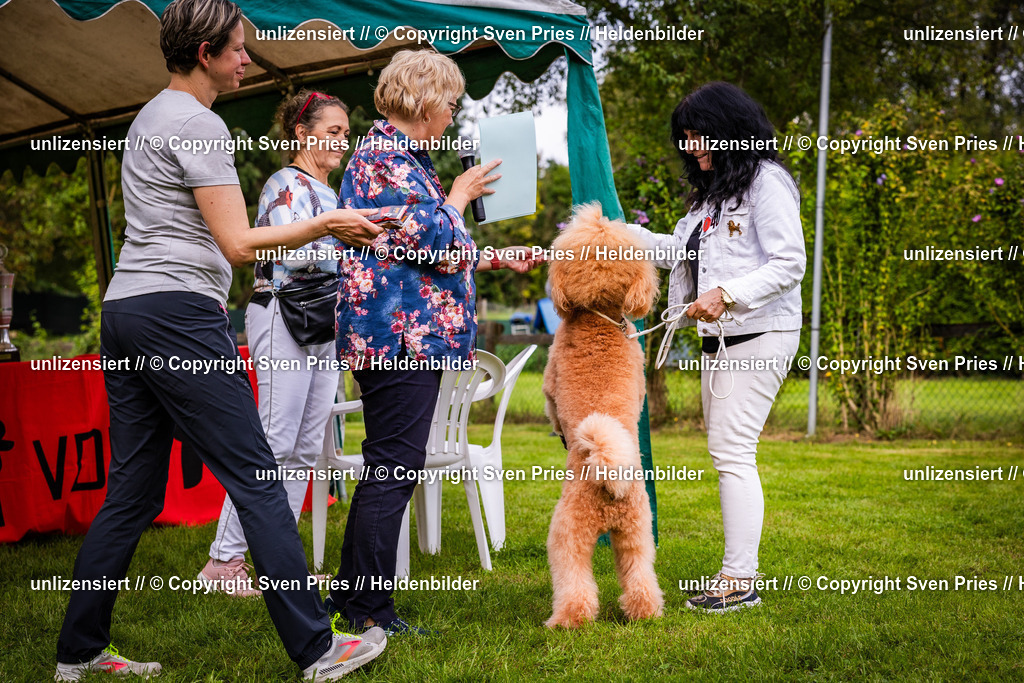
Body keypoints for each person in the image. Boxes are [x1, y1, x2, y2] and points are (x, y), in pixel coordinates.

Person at [54, 1, 386, 679]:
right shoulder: (199, 125)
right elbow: (238, 244)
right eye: (237, 48)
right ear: (204, 53)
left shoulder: (149, 116)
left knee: (133, 492)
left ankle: (79, 652)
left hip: (126, 310)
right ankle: (318, 648)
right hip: (177, 313)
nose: (246, 59)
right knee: (261, 474)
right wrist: (328, 224)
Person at [325, 48, 540, 635]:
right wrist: (462, 194)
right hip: (398, 342)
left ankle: (351, 599)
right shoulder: (384, 159)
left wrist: (495, 257)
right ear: (424, 101)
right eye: (450, 102)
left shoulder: (404, 160)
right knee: (394, 467)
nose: (453, 113)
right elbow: (432, 238)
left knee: (387, 465)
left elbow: (425, 252)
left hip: (405, 338)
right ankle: (369, 611)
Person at [625, 81, 805, 612]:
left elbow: (789, 263)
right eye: (684, 137)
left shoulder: (767, 182)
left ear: (730, 131)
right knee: (729, 452)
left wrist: (726, 295)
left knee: (733, 454)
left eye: (698, 135)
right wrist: (615, 233)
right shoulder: (713, 194)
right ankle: (737, 576)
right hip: (723, 342)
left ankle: (739, 581)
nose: (690, 146)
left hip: (759, 335)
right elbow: (678, 252)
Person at [199, 89, 353, 595]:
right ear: (302, 134)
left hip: (324, 321)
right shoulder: (284, 183)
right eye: (333, 132)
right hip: (283, 314)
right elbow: (292, 249)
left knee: (306, 448)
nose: (342, 141)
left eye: (346, 134)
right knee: (274, 440)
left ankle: (278, 564)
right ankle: (222, 561)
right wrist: (345, 238)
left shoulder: (335, 193)